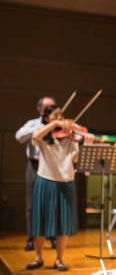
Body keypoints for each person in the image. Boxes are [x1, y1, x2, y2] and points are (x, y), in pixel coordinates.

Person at [26, 105, 80, 271]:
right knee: (40, 221)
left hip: (66, 182)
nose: (60, 119)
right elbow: (35, 135)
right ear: (48, 119)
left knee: (63, 223)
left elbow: (75, 160)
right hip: (45, 180)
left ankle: (59, 259)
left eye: (61, 116)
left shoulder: (70, 137)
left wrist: (78, 143)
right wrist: (53, 124)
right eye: (55, 116)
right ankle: (38, 257)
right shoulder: (43, 135)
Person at [15, 96, 56, 251]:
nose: (51, 110)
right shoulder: (33, 123)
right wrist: (41, 127)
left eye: (53, 107)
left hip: (51, 166)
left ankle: (52, 236)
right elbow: (19, 136)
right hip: (34, 165)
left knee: (51, 204)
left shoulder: (56, 125)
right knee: (32, 205)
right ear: (40, 109)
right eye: (47, 108)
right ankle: (32, 238)